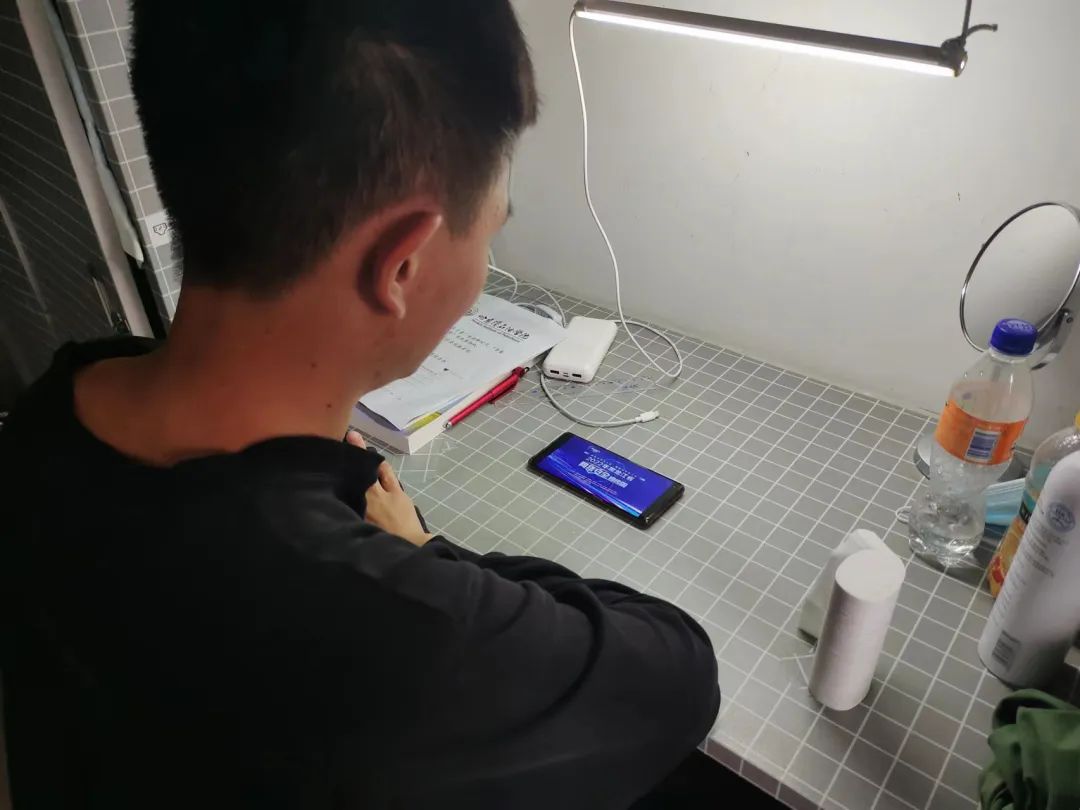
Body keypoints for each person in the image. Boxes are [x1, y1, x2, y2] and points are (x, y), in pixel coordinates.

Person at [0, 2, 721, 808]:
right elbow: (678, 674)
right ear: (401, 263)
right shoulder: (386, 627)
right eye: (489, 234)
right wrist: (425, 549)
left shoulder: (46, 411)